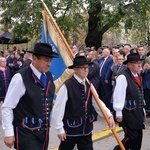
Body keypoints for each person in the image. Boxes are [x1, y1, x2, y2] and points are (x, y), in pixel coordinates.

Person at [1, 42, 59, 150]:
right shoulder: (20, 77)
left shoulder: (49, 76)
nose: (49, 64)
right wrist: (9, 132)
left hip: (43, 133)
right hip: (25, 134)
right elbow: (7, 106)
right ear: (34, 58)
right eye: (46, 60)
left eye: (50, 60)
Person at [52, 56, 115, 150]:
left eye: (87, 67)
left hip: (86, 129)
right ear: (75, 69)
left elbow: (97, 102)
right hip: (70, 129)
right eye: (83, 68)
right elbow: (58, 108)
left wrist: (109, 115)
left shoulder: (88, 84)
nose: (86, 70)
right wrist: (59, 128)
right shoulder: (67, 86)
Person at [113, 53, 146, 150]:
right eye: (136, 63)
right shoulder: (123, 77)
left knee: (138, 137)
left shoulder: (138, 76)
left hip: (137, 112)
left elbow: (140, 93)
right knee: (132, 137)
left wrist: (142, 108)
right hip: (128, 112)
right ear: (129, 65)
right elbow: (119, 95)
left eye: (140, 62)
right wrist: (118, 111)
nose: (139, 65)